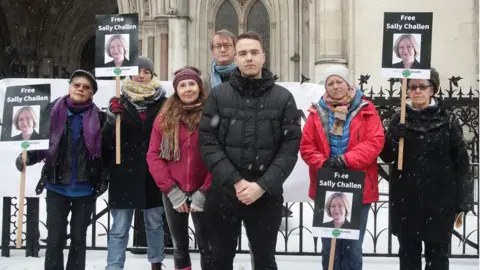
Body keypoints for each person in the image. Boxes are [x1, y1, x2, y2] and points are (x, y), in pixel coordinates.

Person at [199, 31, 302, 269]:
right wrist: (236, 182)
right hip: (224, 194)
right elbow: (208, 142)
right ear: (236, 58)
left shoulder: (283, 98)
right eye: (243, 53)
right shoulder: (218, 95)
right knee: (219, 260)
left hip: (266, 197)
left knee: (265, 261)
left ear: (263, 57)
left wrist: (262, 185)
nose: (249, 58)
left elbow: (289, 149)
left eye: (254, 52)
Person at [15, 70, 109, 270]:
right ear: (70, 87)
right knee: (55, 239)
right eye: (77, 85)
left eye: (86, 88)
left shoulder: (100, 119)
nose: (80, 89)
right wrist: (26, 157)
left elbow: (106, 152)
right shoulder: (51, 113)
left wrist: (103, 177)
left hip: (85, 188)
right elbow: (39, 145)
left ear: (91, 94)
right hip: (57, 186)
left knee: (78, 239)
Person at [380, 68, 473, 270]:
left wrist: (464, 201)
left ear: (433, 89)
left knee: (438, 258)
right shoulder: (399, 118)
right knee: (408, 258)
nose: (417, 91)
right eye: (413, 87)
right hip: (407, 201)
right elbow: (387, 156)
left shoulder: (448, 120)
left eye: (423, 86)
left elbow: (462, 162)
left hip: (439, 201)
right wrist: (395, 137)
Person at [299, 65, 384, 270]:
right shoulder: (316, 112)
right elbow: (306, 146)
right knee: (330, 247)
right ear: (325, 88)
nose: (335, 86)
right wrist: (324, 163)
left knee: (352, 247)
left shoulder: (367, 110)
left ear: (348, 84)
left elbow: (374, 142)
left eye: (339, 82)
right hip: (327, 185)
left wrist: (346, 160)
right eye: (330, 83)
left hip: (358, 186)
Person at [103, 56, 167, 270]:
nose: (141, 75)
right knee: (120, 227)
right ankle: (114, 266)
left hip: (153, 172)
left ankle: (156, 263)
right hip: (124, 171)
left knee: (155, 224)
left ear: (152, 75)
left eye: (146, 71)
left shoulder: (164, 104)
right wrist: (111, 119)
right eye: (138, 71)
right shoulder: (119, 102)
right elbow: (107, 139)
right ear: (129, 74)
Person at [147, 66, 212, 270]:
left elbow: (218, 155)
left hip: (204, 190)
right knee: (179, 247)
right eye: (182, 85)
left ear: (199, 87)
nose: (188, 89)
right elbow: (154, 154)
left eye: (192, 84)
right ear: (177, 90)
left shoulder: (211, 116)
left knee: (207, 246)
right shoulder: (164, 118)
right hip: (174, 191)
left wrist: (205, 190)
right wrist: (171, 190)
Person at [201, 29, 238, 94]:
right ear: (212, 51)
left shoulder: (245, 78)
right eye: (218, 46)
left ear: (235, 49)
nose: (222, 50)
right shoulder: (203, 83)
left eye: (227, 45)